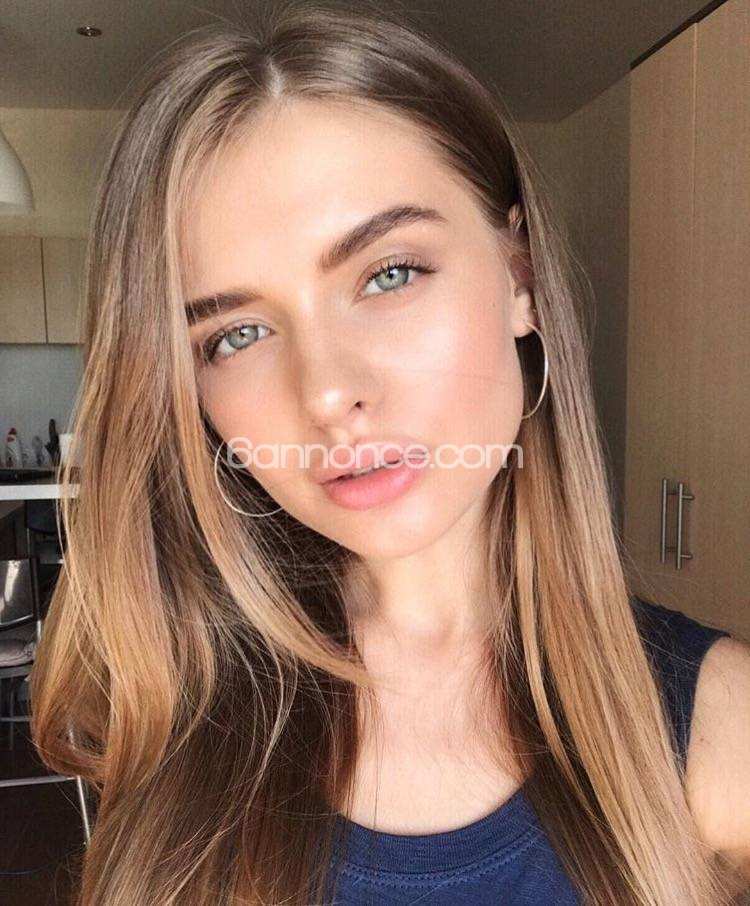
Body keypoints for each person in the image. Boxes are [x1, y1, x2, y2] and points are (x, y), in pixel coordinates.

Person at [30, 3, 750, 904]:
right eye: (236, 333)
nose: (328, 393)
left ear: (519, 277)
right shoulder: (171, 709)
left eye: (389, 273)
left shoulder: (724, 729)